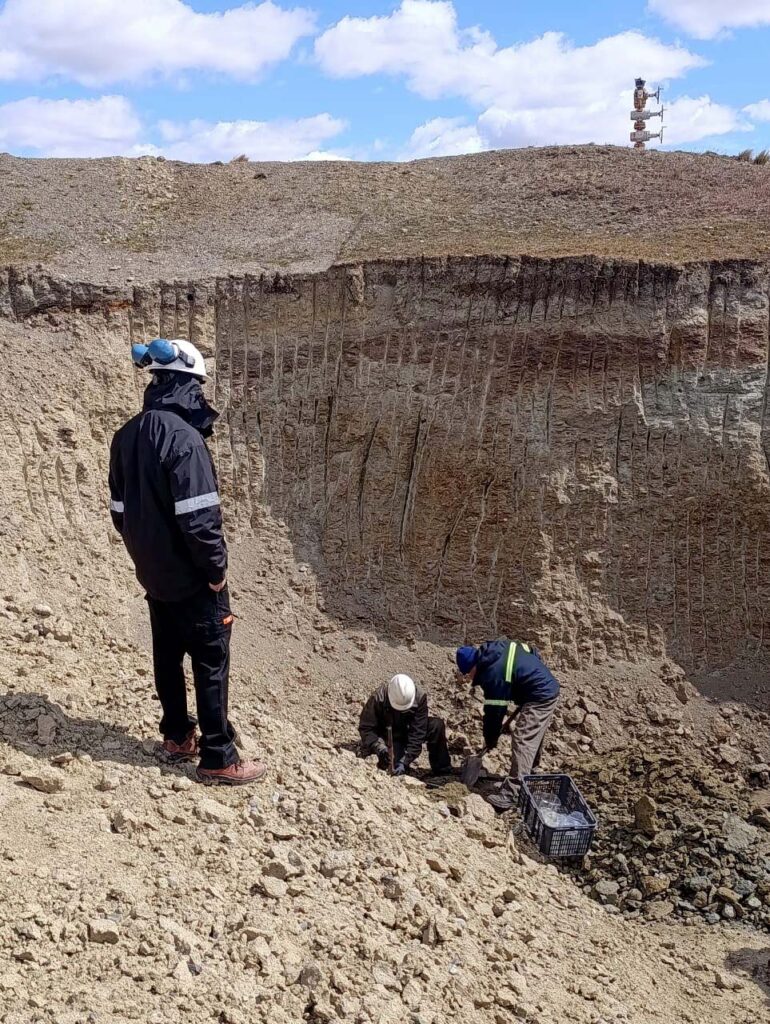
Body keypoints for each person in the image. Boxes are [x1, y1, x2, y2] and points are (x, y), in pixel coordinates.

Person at [108, 337, 266, 786]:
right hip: (194, 580)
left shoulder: (126, 436)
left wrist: (149, 558)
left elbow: (120, 514)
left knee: (167, 656)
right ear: (186, 386)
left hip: (155, 576)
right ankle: (218, 756)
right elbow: (199, 519)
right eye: (198, 389)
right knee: (211, 662)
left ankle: (177, 736)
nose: (201, 398)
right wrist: (215, 572)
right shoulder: (185, 438)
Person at [456, 639, 560, 811]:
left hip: (541, 695)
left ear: (473, 666)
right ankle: (530, 774)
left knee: (523, 738)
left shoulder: (491, 674)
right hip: (542, 688)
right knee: (533, 733)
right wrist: (527, 677)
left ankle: (513, 792)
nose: (470, 677)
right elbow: (531, 650)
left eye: (468, 673)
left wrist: (490, 739)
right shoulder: (496, 649)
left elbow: (494, 713)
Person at [359, 674, 451, 777]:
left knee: (436, 725)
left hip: (407, 732)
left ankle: (442, 772)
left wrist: (405, 760)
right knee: (389, 765)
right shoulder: (378, 698)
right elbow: (366, 728)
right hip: (387, 738)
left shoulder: (419, 697)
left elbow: (418, 732)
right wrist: (380, 749)